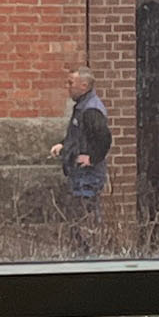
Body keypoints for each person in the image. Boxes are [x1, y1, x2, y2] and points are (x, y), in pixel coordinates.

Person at [53, 70, 113, 221]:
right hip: (80, 174)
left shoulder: (91, 109)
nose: (68, 87)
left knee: (85, 217)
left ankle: (91, 244)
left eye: (71, 83)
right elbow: (78, 135)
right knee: (80, 216)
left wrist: (92, 158)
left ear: (84, 86)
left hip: (87, 175)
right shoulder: (82, 106)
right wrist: (63, 145)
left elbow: (104, 138)